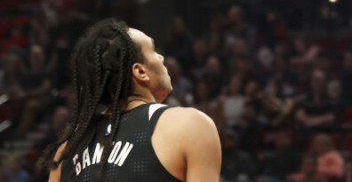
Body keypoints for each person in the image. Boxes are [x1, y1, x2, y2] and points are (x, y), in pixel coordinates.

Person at [40, 18, 221, 182]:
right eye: (153, 51)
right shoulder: (189, 125)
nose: (162, 57)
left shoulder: (67, 150)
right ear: (140, 71)